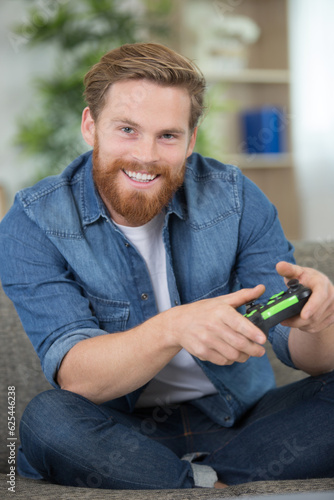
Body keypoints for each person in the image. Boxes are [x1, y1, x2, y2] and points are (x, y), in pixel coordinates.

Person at [0, 42, 333, 491]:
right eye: (127, 130)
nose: (146, 156)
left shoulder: (235, 197)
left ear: (191, 140)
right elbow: (78, 376)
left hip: (242, 419)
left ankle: (191, 481)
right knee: (47, 420)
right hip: (117, 432)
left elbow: (307, 355)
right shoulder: (33, 222)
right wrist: (174, 327)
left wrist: (319, 324)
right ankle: (219, 477)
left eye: (168, 136)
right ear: (91, 126)